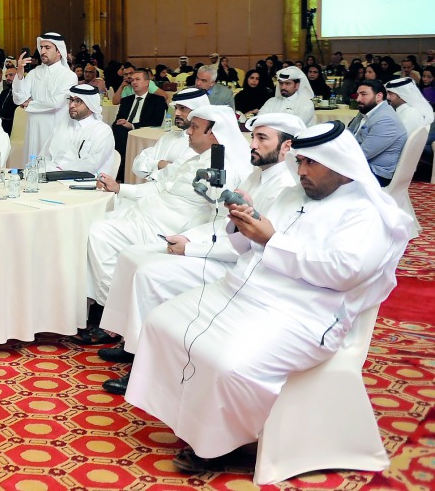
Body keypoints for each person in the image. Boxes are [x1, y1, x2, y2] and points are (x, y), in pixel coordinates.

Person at [126, 121, 412, 474]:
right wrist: (244, 221)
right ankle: (189, 419)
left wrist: (271, 239)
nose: (301, 171)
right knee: (161, 323)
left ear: (339, 165)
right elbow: (248, 244)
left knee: (230, 363)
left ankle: (232, 443)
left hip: (305, 316)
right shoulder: (294, 194)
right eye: (300, 162)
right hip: (243, 293)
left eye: (311, 164)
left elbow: (344, 273)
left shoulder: (367, 212)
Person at [96, 112, 306, 391]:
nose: (252, 144)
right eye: (253, 136)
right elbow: (223, 221)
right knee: (132, 258)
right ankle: (130, 340)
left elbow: (249, 244)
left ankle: (142, 365)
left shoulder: (285, 187)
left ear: (286, 147)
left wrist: (191, 249)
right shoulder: (258, 176)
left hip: (239, 266)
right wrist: (188, 238)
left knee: (149, 274)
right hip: (220, 249)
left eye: (261, 138)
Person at [76, 104, 251, 345]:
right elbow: (160, 186)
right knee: (90, 225)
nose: (188, 132)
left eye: (194, 127)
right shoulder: (193, 158)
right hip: (146, 213)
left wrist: (190, 242)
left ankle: (112, 316)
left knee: (98, 233)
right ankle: (103, 310)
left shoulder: (222, 169)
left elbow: (219, 220)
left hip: (166, 228)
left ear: (214, 134)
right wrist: (120, 188)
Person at [11, 32, 78, 160]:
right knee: (31, 167)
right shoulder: (34, 73)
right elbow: (18, 99)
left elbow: (56, 103)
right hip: (33, 129)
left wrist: (30, 103)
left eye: (47, 48)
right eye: (41, 47)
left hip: (54, 128)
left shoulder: (68, 76)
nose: (42, 51)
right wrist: (19, 74)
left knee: (49, 167)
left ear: (59, 51)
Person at [127, 87, 210, 184]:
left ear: (198, 111)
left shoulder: (204, 144)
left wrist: (153, 168)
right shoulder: (169, 136)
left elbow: (178, 177)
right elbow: (137, 165)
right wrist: (159, 164)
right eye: (176, 108)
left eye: (182, 108)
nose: (176, 113)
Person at [44, 85, 115, 175]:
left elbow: (91, 164)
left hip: (83, 181)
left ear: (90, 105)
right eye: (71, 100)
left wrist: (59, 170)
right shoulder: (62, 126)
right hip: (52, 175)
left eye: (78, 101)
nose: (72, 105)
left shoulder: (102, 131)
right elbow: (44, 155)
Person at [111, 68, 168, 175]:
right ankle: (120, 170)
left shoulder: (157, 100)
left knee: (121, 132)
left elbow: (155, 122)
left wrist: (132, 125)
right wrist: (121, 123)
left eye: (137, 79)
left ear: (147, 82)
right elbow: (117, 120)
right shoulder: (126, 101)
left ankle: (124, 171)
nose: (134, 82)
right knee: (116, 128)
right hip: (123, 132)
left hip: (144, 132)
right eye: (132, 80)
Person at [350, 79, 407, 185]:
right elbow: (348, 133)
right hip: (362, 166)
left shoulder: (386, 120)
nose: (358, 99)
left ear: (379, 96)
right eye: (357, 95)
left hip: (377, 174)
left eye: (364, 94)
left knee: (325, 171)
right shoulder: (367, 110)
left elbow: (362, 154)